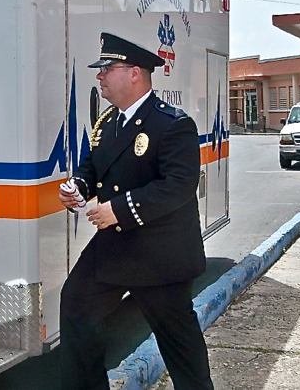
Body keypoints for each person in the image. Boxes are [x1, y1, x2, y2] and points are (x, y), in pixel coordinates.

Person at [58, 32, 213, 390]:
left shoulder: (173, 124)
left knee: (180, 347)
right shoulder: (109, 123)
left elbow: (178, 186)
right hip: (113, 251)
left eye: (106, 69)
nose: (99, 77)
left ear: (134, 74)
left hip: (161, 255)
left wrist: (120, 210)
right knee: (76, 305)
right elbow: (94, 167)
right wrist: (78, 188)